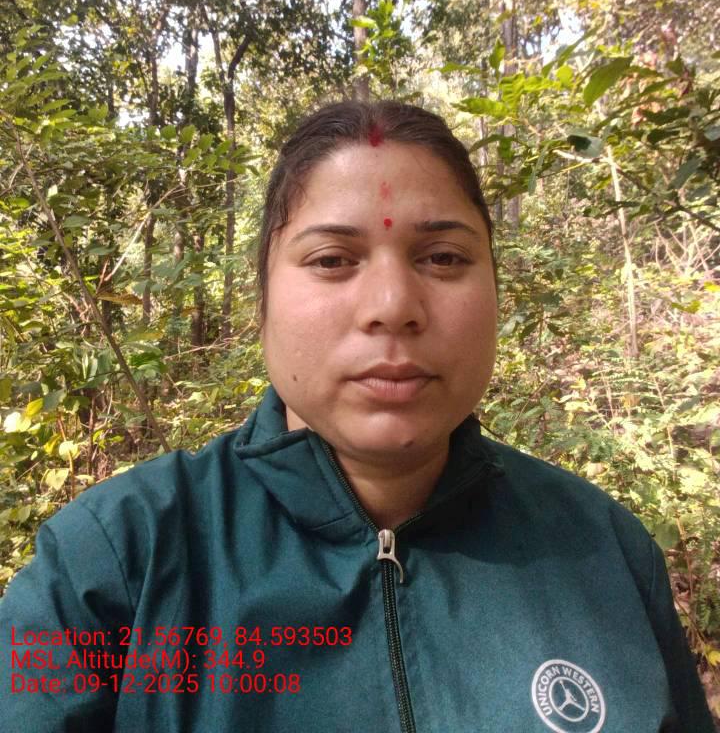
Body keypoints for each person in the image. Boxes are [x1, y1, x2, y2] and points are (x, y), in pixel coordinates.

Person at [0, 98, 714, 733]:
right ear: (261, 305)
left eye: (443, 257)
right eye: (333, 259)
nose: (392, 306)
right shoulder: (110, 563)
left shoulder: (604, 550)